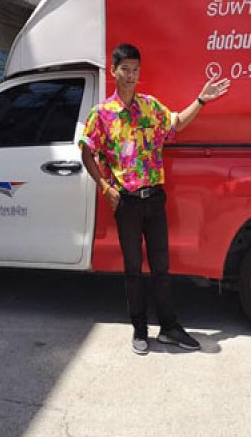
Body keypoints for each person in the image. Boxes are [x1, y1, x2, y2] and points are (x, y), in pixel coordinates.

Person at [80, 43, 230, 355]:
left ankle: (169, 328)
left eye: (135, 70)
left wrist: (201, 100)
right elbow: (86, 151)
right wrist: (105, 187)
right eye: (125, 69)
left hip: (154, 198)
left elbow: (177, 123)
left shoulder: (150, 107)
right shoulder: (102, 114)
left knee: (162, 267)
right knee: (133, 269)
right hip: (126, 202)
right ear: (114, 71)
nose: (131, 75)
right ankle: (139, 328)